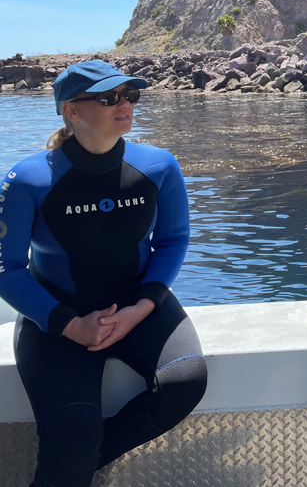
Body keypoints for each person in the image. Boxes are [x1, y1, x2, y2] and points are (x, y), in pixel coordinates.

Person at [0, 60, 207, 487]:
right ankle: (74, 461)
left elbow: (172, 241)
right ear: (71, 111)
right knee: (70, 445)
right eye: (109, 98)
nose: (124, 104)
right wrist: (70, 324)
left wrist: (141, 308)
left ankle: (82, 460)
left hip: (139, 304)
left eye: (129, 95)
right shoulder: (28, 180)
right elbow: (7, 267)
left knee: (184, 382)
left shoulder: (159, 166)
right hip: (56, 316)